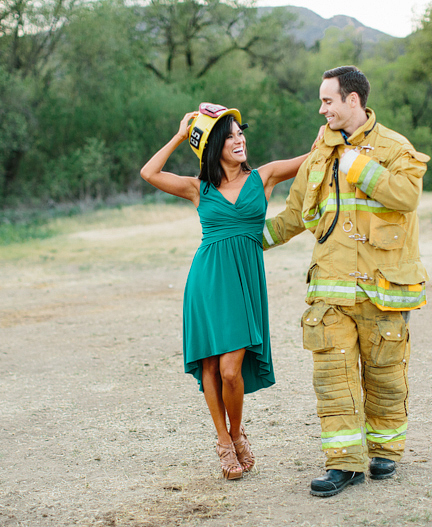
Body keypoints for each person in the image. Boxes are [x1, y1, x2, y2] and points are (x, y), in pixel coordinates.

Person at [262, 66, 431, 497]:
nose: (322, 109)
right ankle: (344, 464)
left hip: (385, 292)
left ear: (352, 100)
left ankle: (386, 453)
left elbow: (407, 196)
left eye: (327, 101)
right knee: (332, 378)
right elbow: (295, 215)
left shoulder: (395, 148)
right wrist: (245, 241)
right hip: (331, 292)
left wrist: (359, 167)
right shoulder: (320, 153)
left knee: (386, 378)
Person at [140, 103, 307, 480]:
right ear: (213, 146)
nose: (239, 139)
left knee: (232, 370)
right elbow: (148, 172)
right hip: (206, 281)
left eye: (240, 132)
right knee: (210, 365)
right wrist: (182, 135)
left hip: (244, 279)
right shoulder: (198, 189)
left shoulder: (263, 177)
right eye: (230, 135)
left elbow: (314, 156)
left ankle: (236, 433)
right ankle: (223, 442)